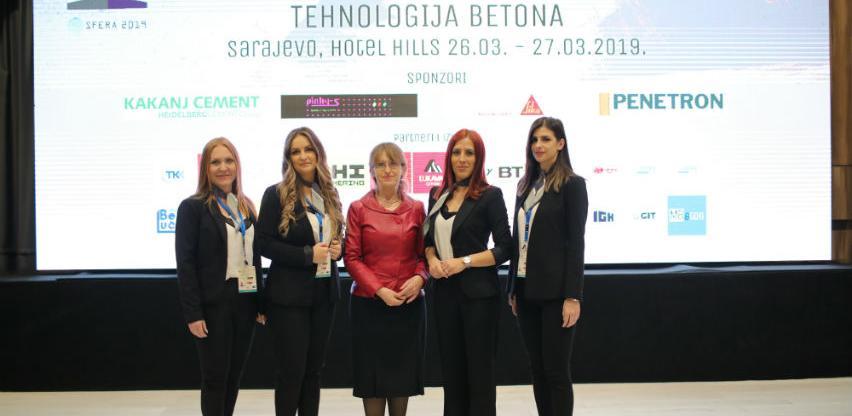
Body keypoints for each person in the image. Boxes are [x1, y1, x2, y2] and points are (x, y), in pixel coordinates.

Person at [255, 127, 344, 416]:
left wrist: (338, 248)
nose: (303, 156)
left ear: (318, 153)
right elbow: (263, 243)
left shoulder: (328, 192)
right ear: (288, 158)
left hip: (324, 295)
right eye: (296, 151)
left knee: (313, 372)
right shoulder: (276, 194)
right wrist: (307, 255)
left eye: (308, 149)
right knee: (291, 372)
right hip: (288, 298)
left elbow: (335, 236)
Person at [423, 129, 512, 416]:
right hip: (444, 295)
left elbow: (505, 249)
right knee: (452, 374)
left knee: (480, 375)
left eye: (469, 153)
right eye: (457, 152)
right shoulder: (436, 195)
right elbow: (427, 241)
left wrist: (465, 262)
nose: (462, 159)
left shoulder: (490, 195)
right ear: (449, 157)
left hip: (479, 298)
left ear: (479, 158)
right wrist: (431, 259)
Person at [175, 137, 264, 416]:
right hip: (213, 306)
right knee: (215, 378)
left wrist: (260, 303)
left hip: (245, 303)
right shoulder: (192, 208)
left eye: (229, 160)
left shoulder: (246, 206)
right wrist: (193, 314)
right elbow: (185, 264)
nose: (223, 167)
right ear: (205, 168)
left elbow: (255, 257)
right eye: (215, 162)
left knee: (234, 376)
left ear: (237, 165)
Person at [507, 117, 588, 416]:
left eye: (545, 139)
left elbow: (576, 243)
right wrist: (512, 288)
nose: (538, 145)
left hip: (556, 294)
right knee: (538, 369)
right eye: (534, 139)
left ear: (560, 144)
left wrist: (573, 296)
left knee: (556, 371)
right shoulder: (525, 186)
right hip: (525, 289)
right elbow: (518, 238)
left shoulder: (572, 185)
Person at [344, 142, 428, 416]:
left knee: (401, 381)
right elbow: (351, 258)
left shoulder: (417, 208)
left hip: (407, 305)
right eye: (380, 164)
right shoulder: (358, 208)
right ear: (372, 171)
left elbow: (425, 255)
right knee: (372, 382)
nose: (387, 169)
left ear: (404, 168)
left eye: (393, 163)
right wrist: (379, 290)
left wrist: (420, 278)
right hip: (369, 305)